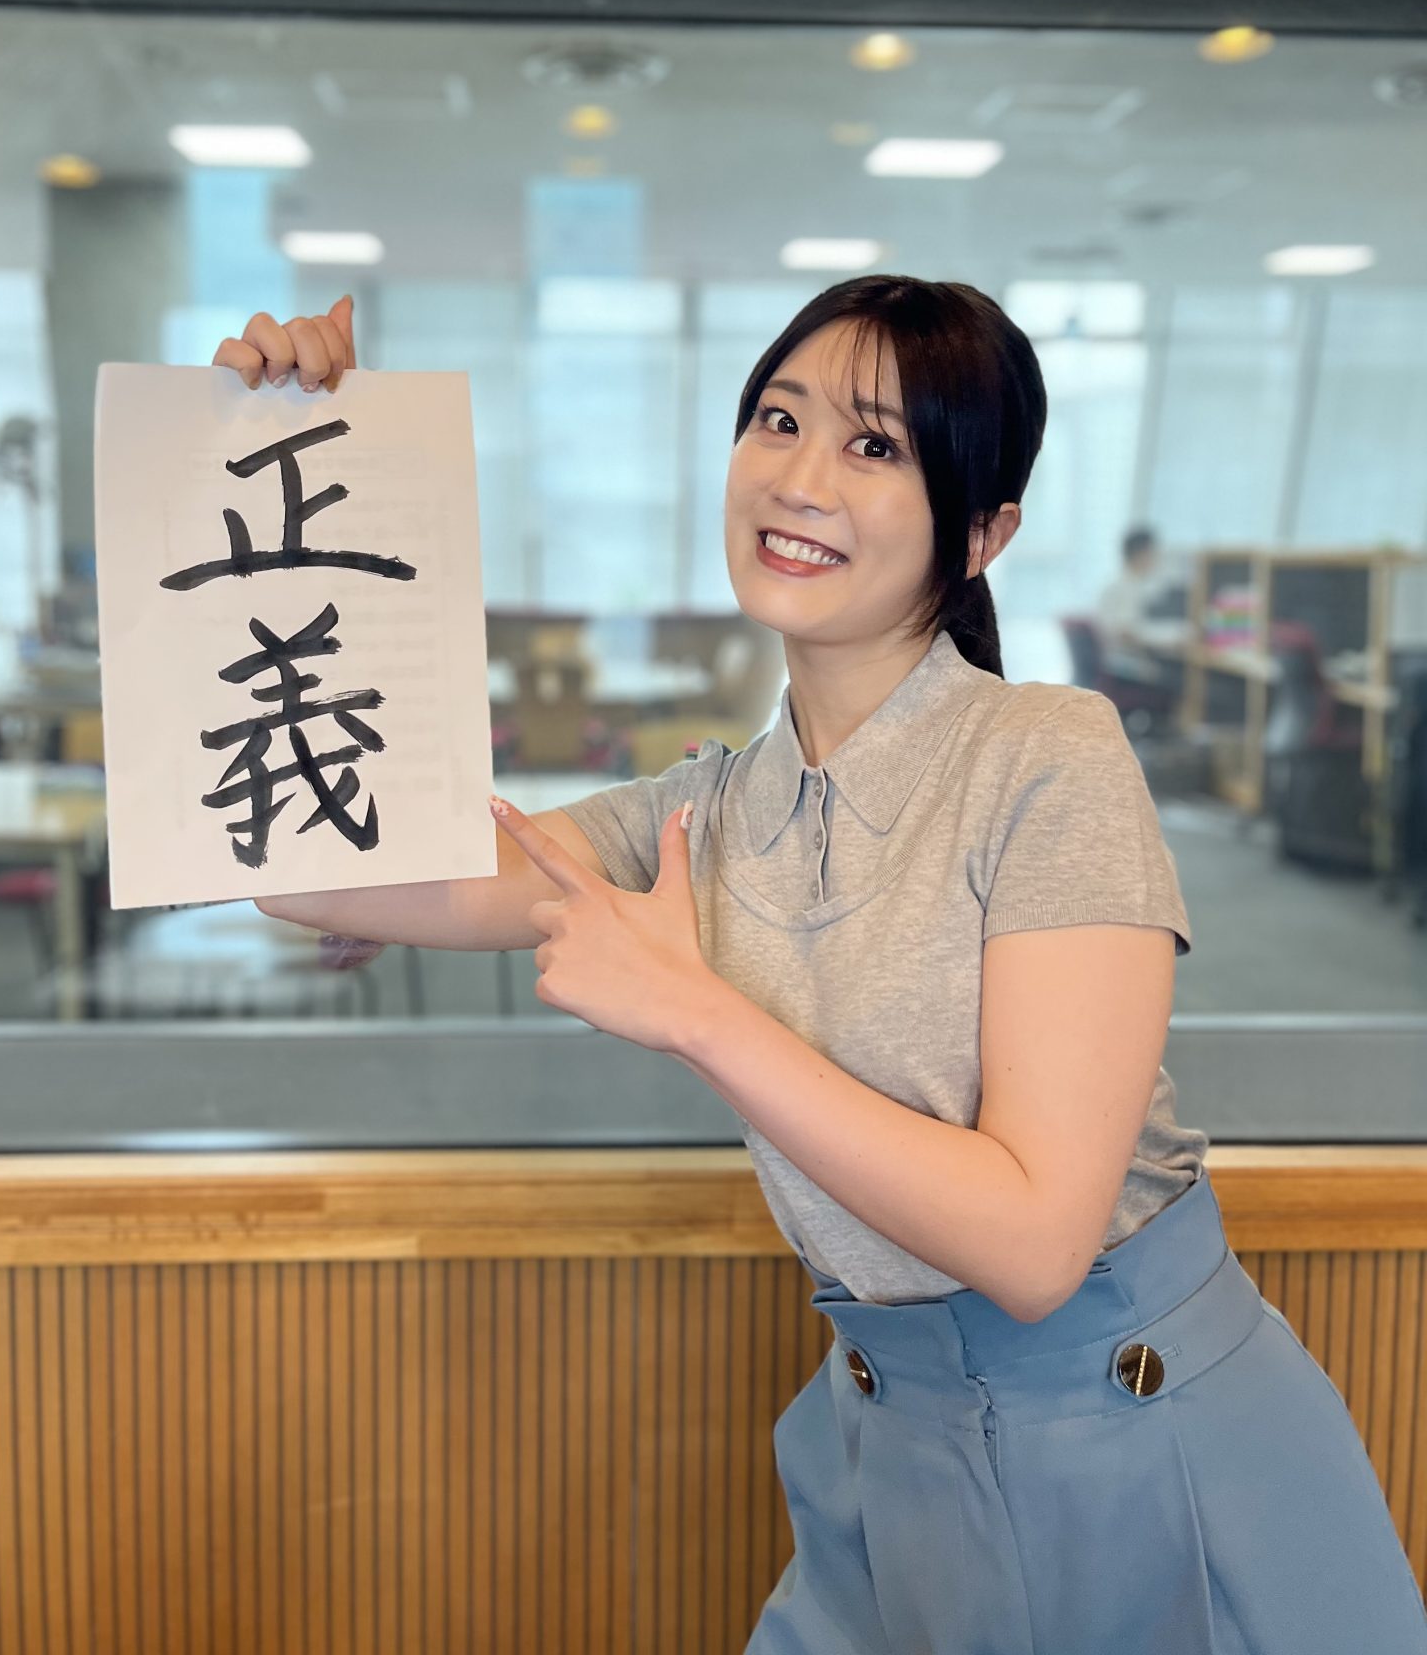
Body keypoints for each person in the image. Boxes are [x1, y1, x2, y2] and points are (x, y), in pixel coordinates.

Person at [220, 281, 1427, 1653]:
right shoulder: (704, 810)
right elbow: (303, 864)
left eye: (875, 446)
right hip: (890, 1444)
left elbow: (1036, 1243)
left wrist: (697, 1012)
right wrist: (304, 467)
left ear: (983, 531)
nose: (799, 479)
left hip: (1135, 1447)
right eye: (779, 420)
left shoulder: (1049, 754)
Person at [1096, 523, 1190, 690]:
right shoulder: (1123, 588)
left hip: (1122, 663)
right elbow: (1127, 634)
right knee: (1184, 682)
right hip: (1126, 666)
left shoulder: (1129, 584)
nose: (1157, 560)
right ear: (1142, 554)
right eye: (1154, 553)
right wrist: (1167, 640)